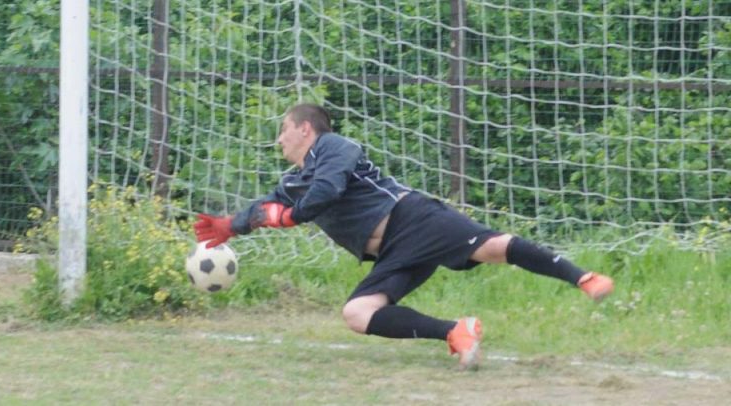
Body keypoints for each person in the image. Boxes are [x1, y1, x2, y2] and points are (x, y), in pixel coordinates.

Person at [193, 103, 614, 370]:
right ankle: (456, 331)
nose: (278, 138)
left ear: (306, 128)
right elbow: (267, 205)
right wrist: (232, 225)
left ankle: (583, 278)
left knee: (493, 248)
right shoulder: (294, 180)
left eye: (284, 128)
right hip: (391, 251)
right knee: (357, 314)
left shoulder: (335, 147)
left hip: (412, 218)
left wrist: (289, 216)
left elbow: (327, 191)